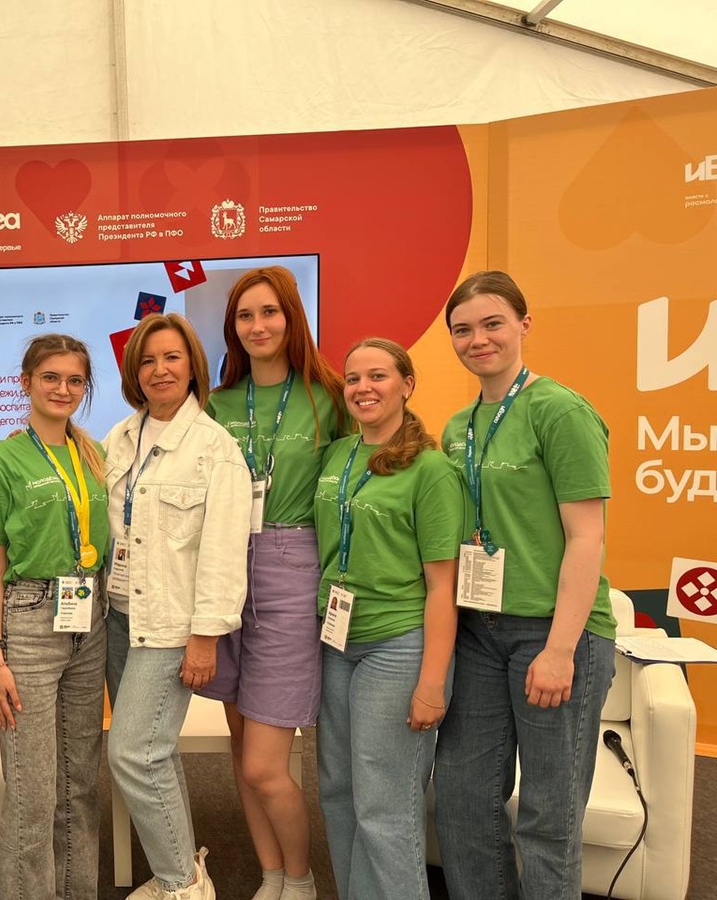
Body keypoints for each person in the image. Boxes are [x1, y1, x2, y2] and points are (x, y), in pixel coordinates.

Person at [433, 271, 615, 900]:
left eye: (493, 324)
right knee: (462, 799)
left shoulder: (560, 411)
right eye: (463, 330)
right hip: (479, 632)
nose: (477, 340)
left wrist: (560, 650)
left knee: (548, 814)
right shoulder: (457, 426)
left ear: (524, 326)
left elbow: (587, 537)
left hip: (553, 632)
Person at [198, 266, 346, 900]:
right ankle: (271, 874)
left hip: (293, 568)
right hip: (224, 569)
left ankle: (302, 878)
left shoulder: (330, 397)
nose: (257, 326)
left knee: (265, 763)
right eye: (244, 316)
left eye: (269, 312)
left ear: (292, 317)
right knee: (241, 750)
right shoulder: (216, 404)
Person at [104, 312, 252, 900]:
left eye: (171, 357)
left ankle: (182, 886)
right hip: (118, 616)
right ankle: (183, 870)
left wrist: (205, 637)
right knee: (155, 754)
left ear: (193, 366)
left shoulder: (216, 449)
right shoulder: (119, 438)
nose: (159, 370)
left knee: (134, 753)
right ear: (132, 372)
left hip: (170, 627)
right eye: (147, 360)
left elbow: (224, 552)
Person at [313, 339, 462, 899]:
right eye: (353, 379)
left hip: (398, 646)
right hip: (337, 641)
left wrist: (431, 682)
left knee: (385, 805)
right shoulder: (337, 455)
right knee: (337, 791)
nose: (363, 388)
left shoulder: (431, 469)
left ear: (407, 384)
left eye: (378, 376)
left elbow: (443, 586)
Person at [0, 334, 109, 900]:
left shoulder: (95, 456)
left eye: (75, 380)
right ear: (25, 382)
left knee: (80, 784)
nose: (63, 389)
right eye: (51, 377)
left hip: (90, 620)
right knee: (32, 791)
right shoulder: (1, 461)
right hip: (27, 622)